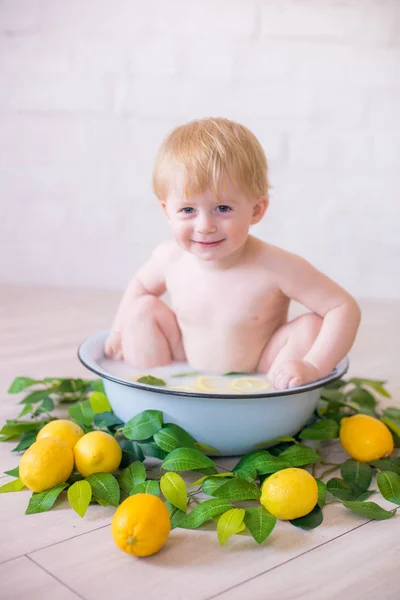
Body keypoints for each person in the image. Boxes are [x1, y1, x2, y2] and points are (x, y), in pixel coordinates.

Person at [105, 118, 361, 390]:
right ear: (167, 211)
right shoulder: (169, 259)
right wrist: (118, 331)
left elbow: (343, 307)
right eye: (188, 210)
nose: (205, 226)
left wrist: (313, 366)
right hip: (182, 366)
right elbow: (140, 286)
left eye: (223, 208)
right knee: (141, 308)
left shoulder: (276, 267)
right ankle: (151, 390)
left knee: (311, 326)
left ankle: (281, 390)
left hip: (260, 371)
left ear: (256, 210)